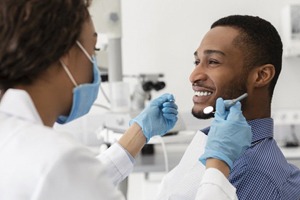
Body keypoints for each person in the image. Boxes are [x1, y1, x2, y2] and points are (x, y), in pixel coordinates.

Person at [0, 1, 251, 200]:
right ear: (66, 55)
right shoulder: (57, 160)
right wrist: (218, 163)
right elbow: (70, 178)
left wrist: (139, 132)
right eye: (93, 51)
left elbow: (75, 184)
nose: (195, 75)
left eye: (214, 61)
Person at [156, 15, 300, 200]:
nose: (194, 75)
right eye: (196, 62)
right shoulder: (216, 146)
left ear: (261, 75)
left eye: (213, 62)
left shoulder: (254, 173)